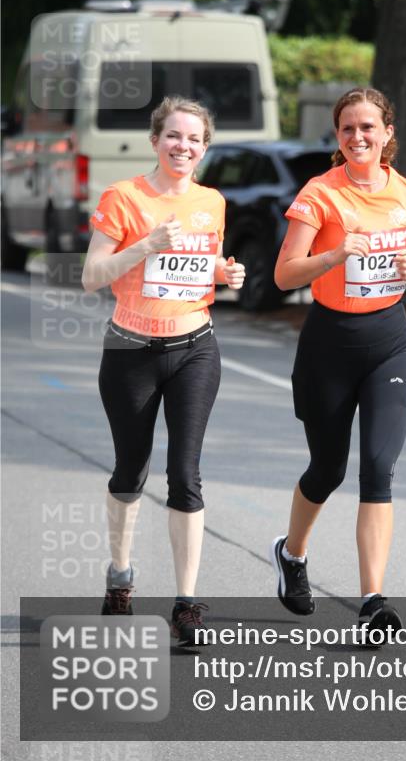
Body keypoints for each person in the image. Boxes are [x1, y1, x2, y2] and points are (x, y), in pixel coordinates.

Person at [271, 87, 406, 636]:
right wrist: (336, 254)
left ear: (388, 132)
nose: (358, 137)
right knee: (328, 468)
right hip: (329, 342)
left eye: (368, 127)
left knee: (378, 468)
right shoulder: (321, 194)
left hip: (390, 338)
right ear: (337, 136)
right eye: (347, 129)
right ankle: (293, 554)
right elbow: (285, 274)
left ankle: (373, 603)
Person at [82, 96, 245, 646]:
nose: (184, 147)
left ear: (205, 147)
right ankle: (121, 575)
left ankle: (185, 603)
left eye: (195, 139)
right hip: (130, 350)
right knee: (131, 472)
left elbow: (202, 268)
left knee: (186, 472)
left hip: (195, 345)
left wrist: (226, 272)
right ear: (156, 141)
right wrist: (146, 245)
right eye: (174, 136)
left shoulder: (211, 201)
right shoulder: (124, 198)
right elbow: (91, 275)